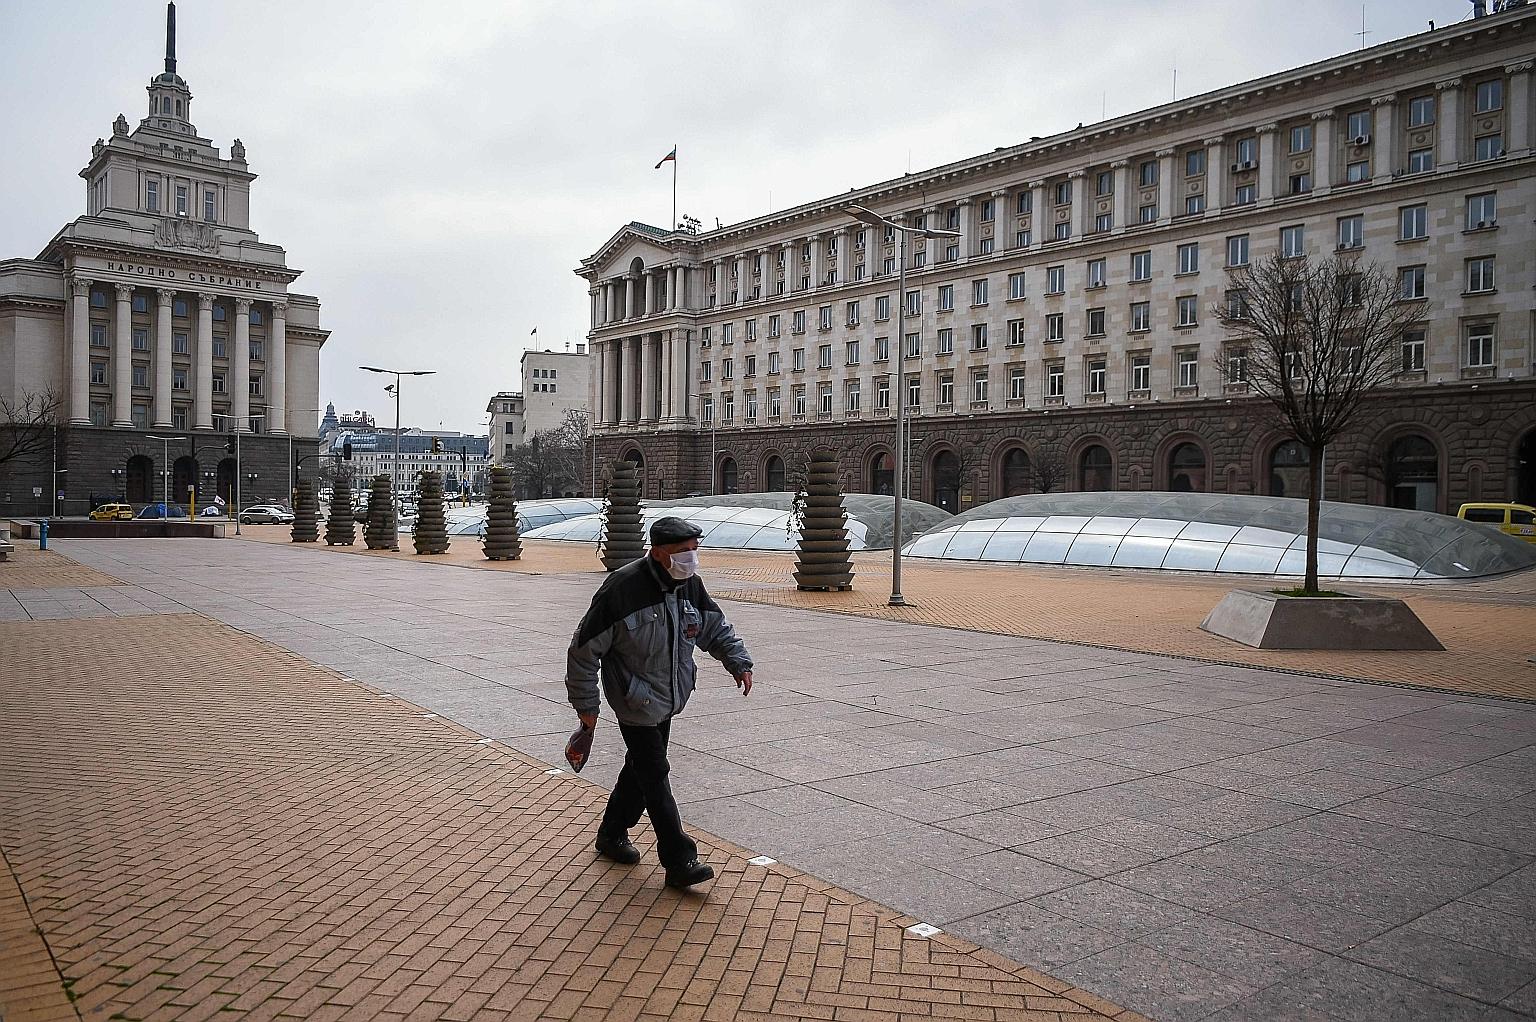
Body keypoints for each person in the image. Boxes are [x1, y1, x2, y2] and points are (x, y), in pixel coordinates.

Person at [566, 516, 754, 889]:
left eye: (694, 551)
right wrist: (588, 709)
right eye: (683, 553)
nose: (691, 559)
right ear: (658, 552)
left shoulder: (688, 585)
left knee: (639, 770)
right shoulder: (621, 589)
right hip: (633, 700)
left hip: (668, 696)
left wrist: (737, 661)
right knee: (655, 775)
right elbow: (583, 651)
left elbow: (713, 626)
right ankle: (679, 859)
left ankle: (611, 833)